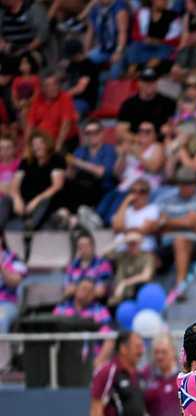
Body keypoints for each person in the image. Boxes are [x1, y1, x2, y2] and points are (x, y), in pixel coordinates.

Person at [3, 131, 66, 260]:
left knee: (48, 199)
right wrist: (16, 199)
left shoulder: (56, 159)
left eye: (40, 143)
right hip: (25, 202)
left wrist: (36, 201)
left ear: (47, 144)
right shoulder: (25, 162)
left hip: (45, 201)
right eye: (34, 144)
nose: (37, 147)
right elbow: (14, 184)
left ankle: (29, 228)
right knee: (6, 199)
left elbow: (56, 186)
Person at [159, 167, 196, 291]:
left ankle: (180, 286)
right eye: (184, 183)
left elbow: (195, 224)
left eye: (190, 183)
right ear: (179, 184)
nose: (187, 187)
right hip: (168, 244)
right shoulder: (167, 200)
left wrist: (169, 222)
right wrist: (185, 222)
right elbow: (160, 224)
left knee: (180, 240)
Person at [63, 119, 117, 223]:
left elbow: (101, 172)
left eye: (95, 132)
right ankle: (67, 215)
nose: (92, 135)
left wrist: (78, 163)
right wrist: (70, 166)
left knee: (85, 183)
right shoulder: (80, 150)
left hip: (102, 188)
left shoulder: (109, 149)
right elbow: (70, 176)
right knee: (66, 184)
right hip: (81, 187)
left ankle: (73, 217)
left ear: (101, 133)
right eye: (88, 133)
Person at [27, 69, 79, 152]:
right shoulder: (37, 99)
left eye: (55, 84)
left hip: (65, 140)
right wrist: (28, 146)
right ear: (42, 88)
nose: (52, 88)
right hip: (44, 140)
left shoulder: (65, 97)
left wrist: (58, 146)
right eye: (48, 85)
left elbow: (66, 124)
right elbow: (30, 124)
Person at [106, 232, 156, 307]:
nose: (132, 246)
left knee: (141, 285)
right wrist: (120, 242)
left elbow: (146, 276)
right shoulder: (123, 255)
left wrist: (125, 283)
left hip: (137, 292)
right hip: (121, 294)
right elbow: (103, 254)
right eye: (129, 243)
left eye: (134, 243)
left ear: (140, 244)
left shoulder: (147, 256)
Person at [63, 228, 112, 300]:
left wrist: (77, 290)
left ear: (92, 246)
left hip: (95, 305)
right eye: (80, 246)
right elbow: (67, 291)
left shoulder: (103, 264)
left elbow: (100, 292)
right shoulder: (72, 266)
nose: (83, 249)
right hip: (71, 304)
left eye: (86, 246)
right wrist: (87, 289)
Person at [0, 240, 25, 371]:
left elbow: (15, 282)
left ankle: (2, 364)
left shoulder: (13, 258)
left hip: (6, 303)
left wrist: (2, 268)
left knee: (0, 320)